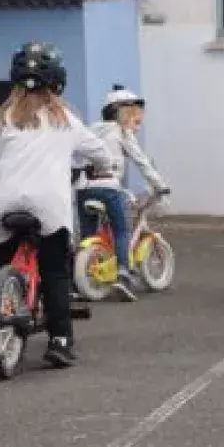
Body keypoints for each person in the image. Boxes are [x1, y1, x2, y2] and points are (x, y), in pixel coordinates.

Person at [0, 42, 114, 369]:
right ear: (57, 83)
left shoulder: (3, 117)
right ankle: (60, 341)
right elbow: (102, 154)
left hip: (5, 201)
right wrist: (102, 166)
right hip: (49, 207)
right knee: (54, 271)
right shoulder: (65, 119)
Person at [80, 84, 171, 302]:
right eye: (132, 114)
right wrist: (160, 185)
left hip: (83, 188)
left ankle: (80, 277)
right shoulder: (121, 132)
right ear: (120, 113)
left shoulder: (91, 129)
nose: (136, 120)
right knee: (122, 230)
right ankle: (123, 275)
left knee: (88, 235)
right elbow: (142, 162)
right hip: (109, 188)